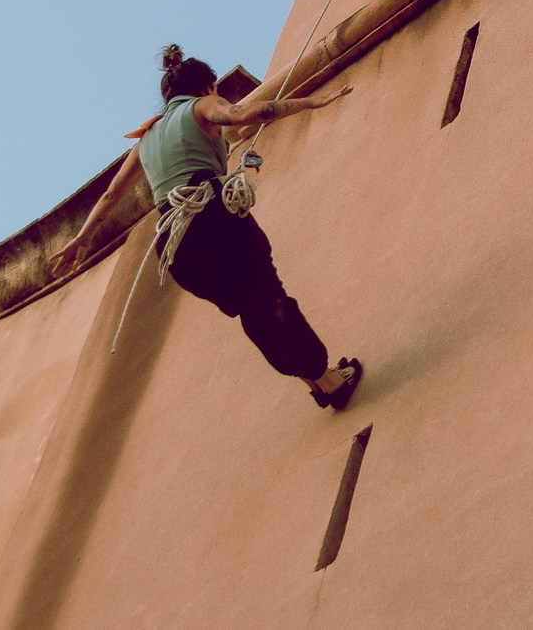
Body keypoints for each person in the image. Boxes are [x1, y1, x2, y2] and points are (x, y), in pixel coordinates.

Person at [51, 45, 362, 410]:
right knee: (269, 296)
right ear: (207, 87)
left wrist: (81, 239)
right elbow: (249, 112)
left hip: (177, 248)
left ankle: (315, 385)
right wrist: (313, 102)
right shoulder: (200, 107)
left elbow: (111, 194)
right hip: (212, 216)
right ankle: (328, 379)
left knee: (253, 308)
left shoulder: (146, 139)